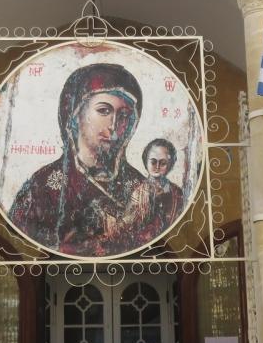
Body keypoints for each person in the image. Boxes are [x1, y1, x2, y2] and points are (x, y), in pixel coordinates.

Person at [8, 62, 155, 257]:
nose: (113, 125)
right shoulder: (41, 187)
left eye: (124, 115)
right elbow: (22, 245)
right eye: (104, 111)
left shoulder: (139, 188)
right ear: (75, 115)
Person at [140, 138, 185, 240]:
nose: (157, 167)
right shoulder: (138, 192)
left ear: (170, 165)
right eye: (153, 162)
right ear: (146, 161)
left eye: (163, 163)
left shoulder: (177, 193)